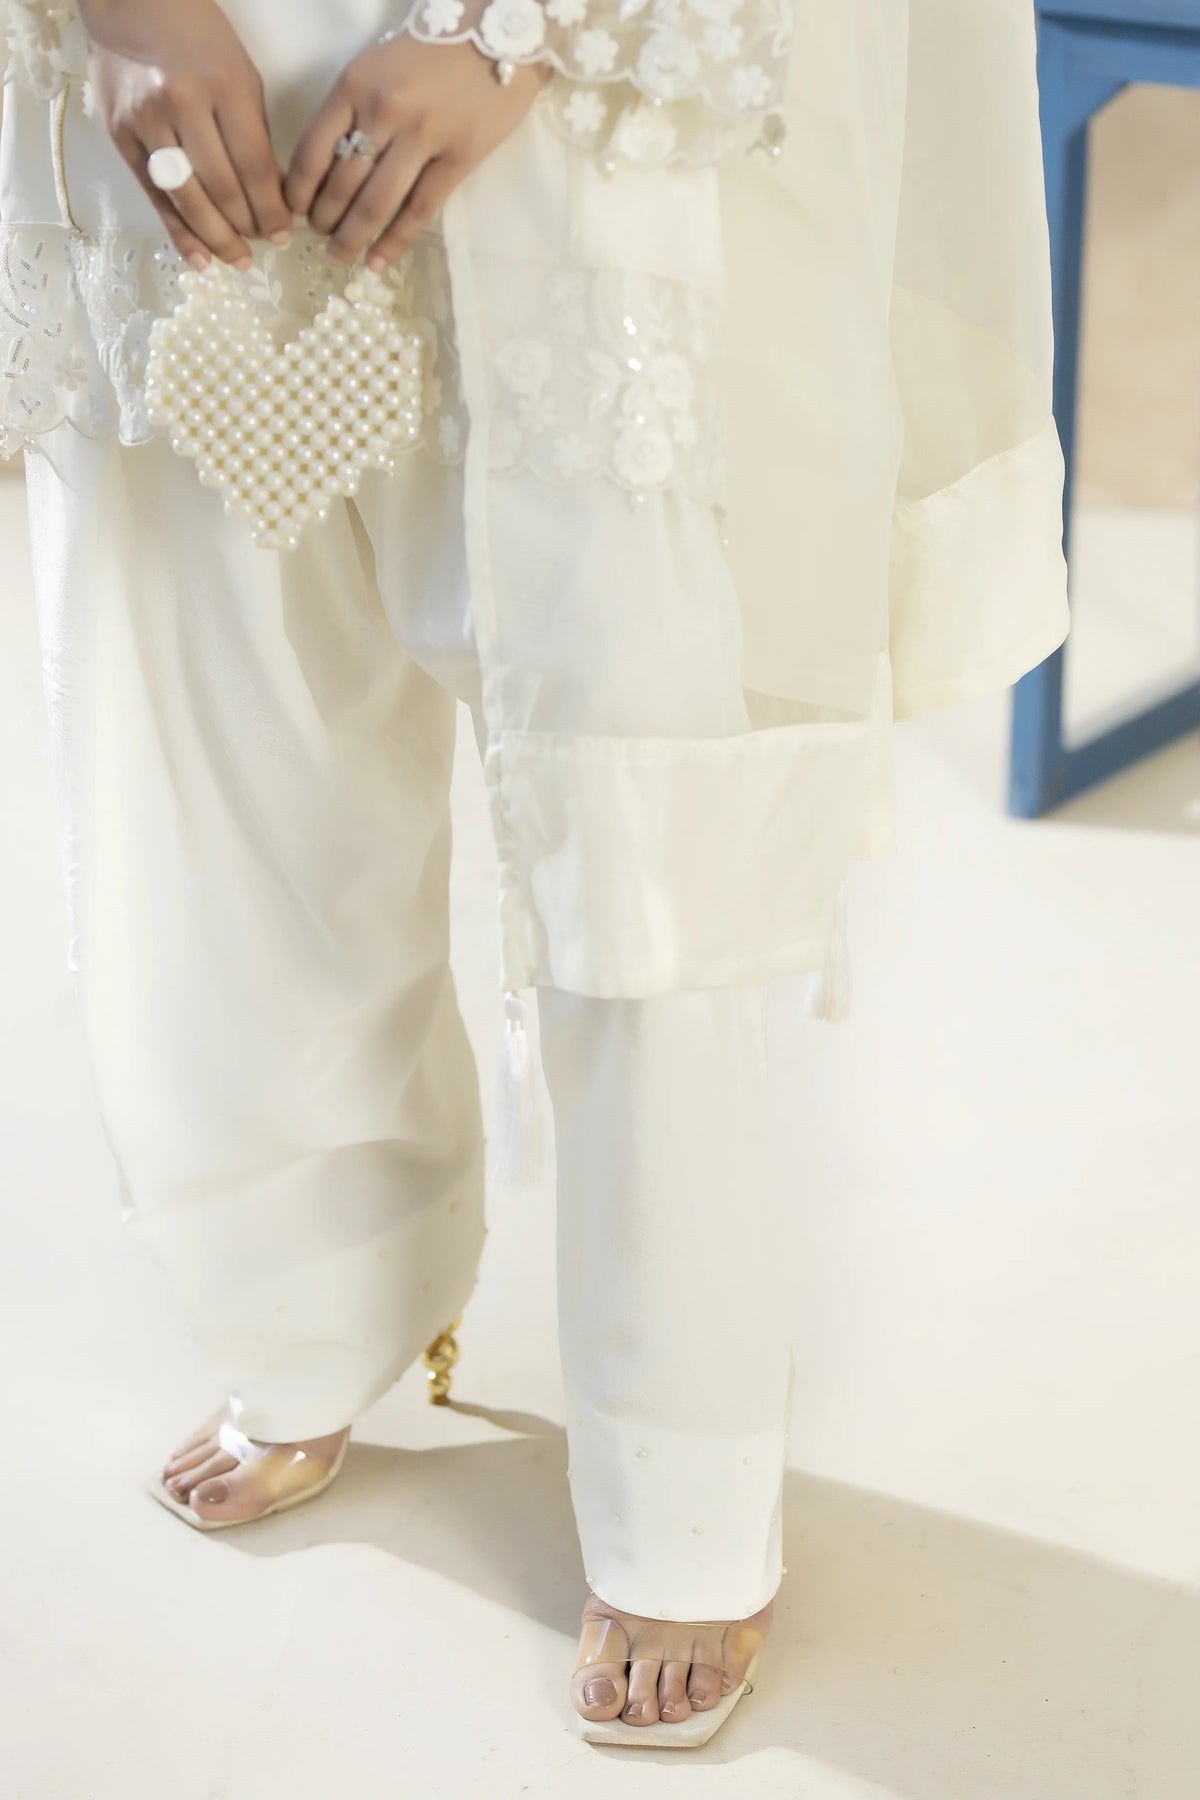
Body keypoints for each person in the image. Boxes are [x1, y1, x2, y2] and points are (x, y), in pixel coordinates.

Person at [1, 0, 1070, 1744]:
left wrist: (513, 37)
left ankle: (684, 1482)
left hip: (580, 93)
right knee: (225, 753)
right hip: (189, 82)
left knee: (644, 799)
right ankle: (303, 1305)